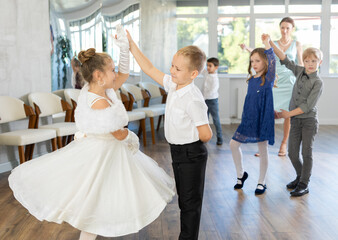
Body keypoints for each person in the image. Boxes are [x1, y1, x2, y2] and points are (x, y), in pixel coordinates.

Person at [8, 25, 175, 240]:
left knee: (100, 202)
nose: (117, 73)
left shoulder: (99, 89)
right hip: (102, 155)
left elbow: (124, 73)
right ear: (98, 75)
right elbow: (118, 133)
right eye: (111, 69)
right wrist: (132, 138)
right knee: (95, 205)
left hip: (106, 151)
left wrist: (125, 48)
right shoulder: (100, 102)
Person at [126, 31, 212, 240]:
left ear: (193, 74)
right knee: (184, 200)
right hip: (178, 151)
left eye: (177, 68)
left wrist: (189, 140)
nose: (171, 70)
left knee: (190, 204)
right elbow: (148, 68)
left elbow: (206, 134)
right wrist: (131, 45)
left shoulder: (192, 98)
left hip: (191, 152)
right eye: (172, 65)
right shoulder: (174, 84)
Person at [240, 17, 303, 157]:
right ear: (280, 28)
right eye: (283, 27)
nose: (285, 30)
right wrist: (247, 49)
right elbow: (261, 55)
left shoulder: (297, 44)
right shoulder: (272, 43)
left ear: (292, 29)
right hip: (274, 81)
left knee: (288, 114)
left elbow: (300, 64)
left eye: (288, 28)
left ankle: (284, 144)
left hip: (290, 83)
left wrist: (303, 80)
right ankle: (264, 145)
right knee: (267, 112)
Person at [270, 38, 323, 197]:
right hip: (296, 121)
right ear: (304, 62)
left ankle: (304, 184)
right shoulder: (300, 71)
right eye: (307, 61)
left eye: (314, 61)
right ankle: (300, 177)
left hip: (308, 122)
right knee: (293, 153)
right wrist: (272, 44)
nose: (310, 63)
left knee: (306, 153)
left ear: (319, 62)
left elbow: (308, 106)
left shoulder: (318, 83)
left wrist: (287, 114)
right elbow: (284, 59)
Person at [230, 34, 276, 195]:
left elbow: (273, 60)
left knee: (262, 149)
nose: (254, 64)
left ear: (265, 61)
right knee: (233, 144)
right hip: (248, 118)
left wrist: (266, 43)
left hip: (262, 119)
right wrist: (248, 49)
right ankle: (241, 175)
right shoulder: (252, 79)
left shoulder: (268, 78)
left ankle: (261, 182)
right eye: (252, 61)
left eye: (257, 60)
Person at [201, 57, 223, 145]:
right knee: (204, 119)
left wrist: (203, 98)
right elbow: (201, 69)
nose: (208, 67)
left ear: (216, 67)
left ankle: (220, 138)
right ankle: (203, 137)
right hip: (205, 100)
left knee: (215, 120)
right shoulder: (207, 73)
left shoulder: (215, 79)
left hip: (212, 101)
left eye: (210, 66)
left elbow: (212, 91)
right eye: (207, 65)